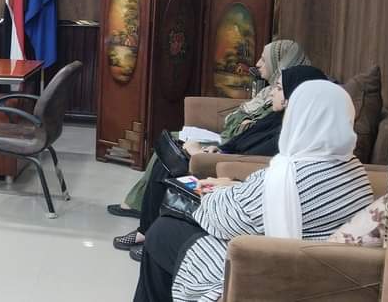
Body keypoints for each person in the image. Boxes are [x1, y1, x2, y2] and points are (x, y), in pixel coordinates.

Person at [134, 80, 374, 301]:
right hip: (314, 263)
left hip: (267, 265)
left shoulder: (290, 175)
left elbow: (224, 220)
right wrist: (235, 187)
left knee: (162, 231)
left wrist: (215, 191)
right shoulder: (354, 169)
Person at [116, 65, 328, 261]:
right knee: (167, 157)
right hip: (226, 159)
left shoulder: (290, 132)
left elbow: (256, 158)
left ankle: (149, 234)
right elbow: (242, 143)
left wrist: (201, 154)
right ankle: (146, 230)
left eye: (279, 88)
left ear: (295, 95)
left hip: (234, 178)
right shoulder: (276, 118)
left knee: (168, 166)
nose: (272, 92)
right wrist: (220, 150)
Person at [108, 40, 310, 221]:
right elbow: (239, 125)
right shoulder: (269, 93)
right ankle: (142, 206)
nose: (257, 64)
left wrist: (215, 148)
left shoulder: (280, 112)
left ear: (279, 64)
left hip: (229, 151)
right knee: (167, 145)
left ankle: (142, 209)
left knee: (170, 151)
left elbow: (248, 140)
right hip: (227, 145)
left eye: (264, 60)